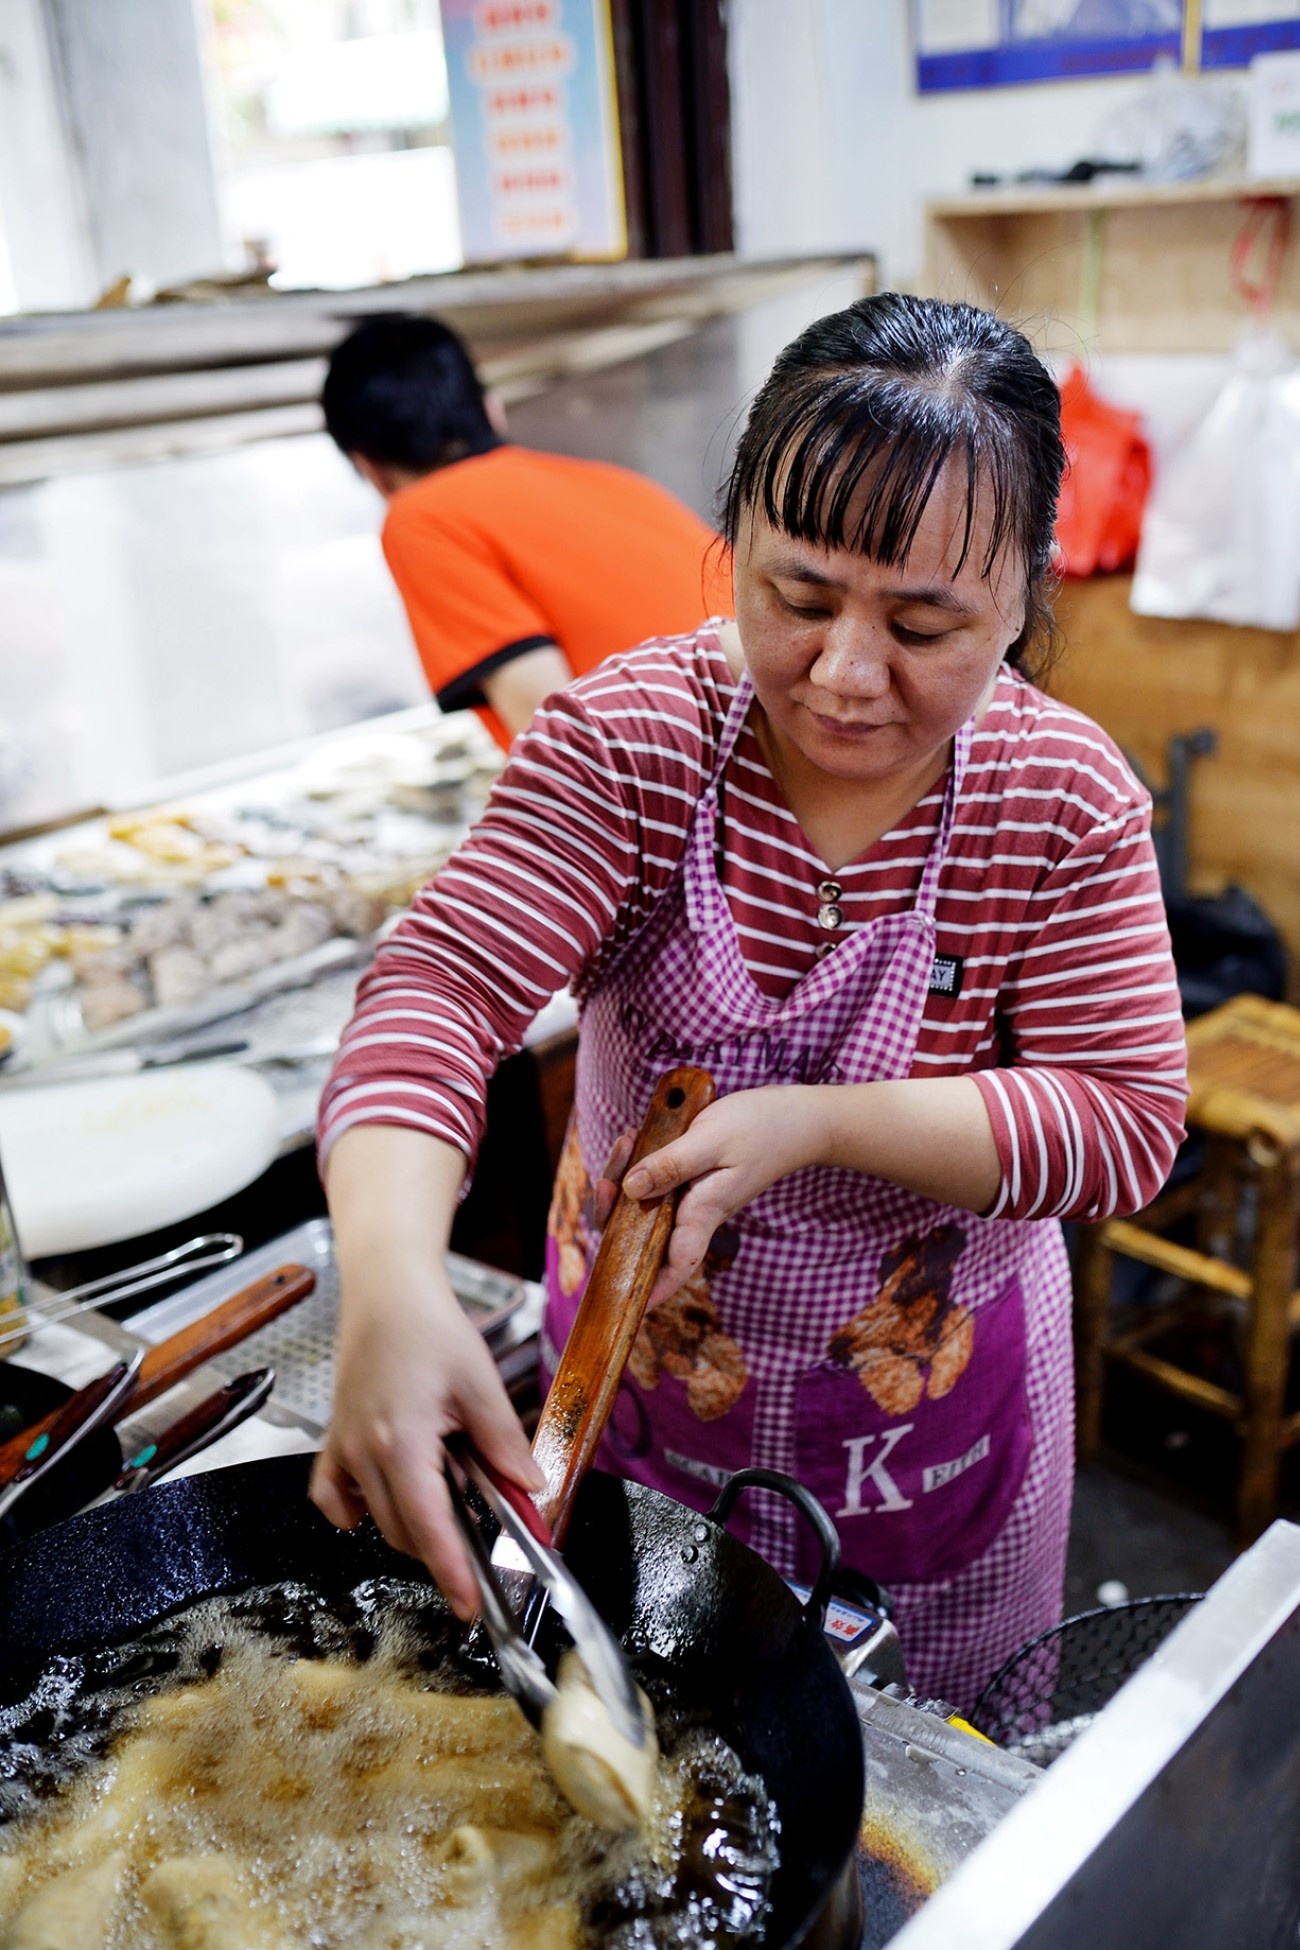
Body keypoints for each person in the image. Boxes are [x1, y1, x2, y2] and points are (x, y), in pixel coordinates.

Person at [311, 294, 1188, 1708]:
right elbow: (439, 984)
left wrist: (820, 1122)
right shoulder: (635, 741)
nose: (844, 675)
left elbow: (1123, 1121)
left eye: (924, 625)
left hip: (930, 1440)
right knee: (659, 1728)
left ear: (1029, 593)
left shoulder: (1060, 797)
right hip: (642, 1397)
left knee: (916, 1793)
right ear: (735, 551)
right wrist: (392, 1278)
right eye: (796, 597)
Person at [322, 313, 732, 748]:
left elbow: (555, 743)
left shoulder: (420, 518)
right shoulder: (617, 484)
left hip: (705, 791)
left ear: (367, 467)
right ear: (490, 409)